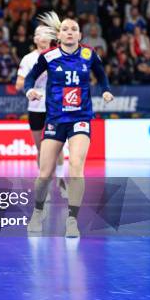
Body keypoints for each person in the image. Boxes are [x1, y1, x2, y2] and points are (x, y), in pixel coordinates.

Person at [23, 12, 114, 238]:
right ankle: (38, 211)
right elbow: (30, 77)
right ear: (60, 34)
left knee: (76, 166)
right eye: (65, 29)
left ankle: (72, 219)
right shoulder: (49, 55)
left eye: (74, 29)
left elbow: (102, 76)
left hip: (80, 117)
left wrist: (106, 90)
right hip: (55, 119)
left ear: (79, 34)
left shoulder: (88, 54)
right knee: (44, 174)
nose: (70, 32)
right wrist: (29, 90)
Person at [15, 26, 66, 188]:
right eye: (37, 34)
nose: (41, 36)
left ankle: (60, 178)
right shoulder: (28, 59)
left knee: (56, 146)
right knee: (41, 149)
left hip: (54, 108)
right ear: (35, 40)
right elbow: (18, 84)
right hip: (35, 108)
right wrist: (33, 84)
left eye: (44, 33)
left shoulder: (57, 56)